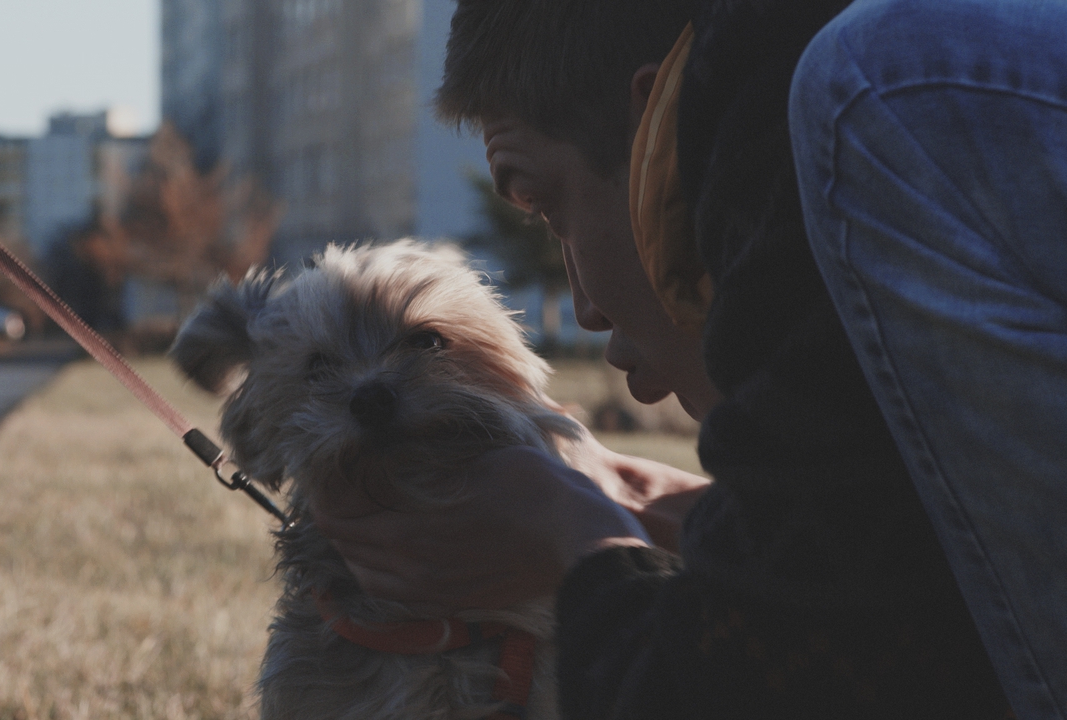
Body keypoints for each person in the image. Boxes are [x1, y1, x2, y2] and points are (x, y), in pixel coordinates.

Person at [315, 0, 1063, 717]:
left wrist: (568, 532)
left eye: (552, 211)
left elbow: (779, 685)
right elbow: (924, 577)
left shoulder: (863, 96)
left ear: (655, 132)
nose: (585, 307)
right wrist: (641, 500)